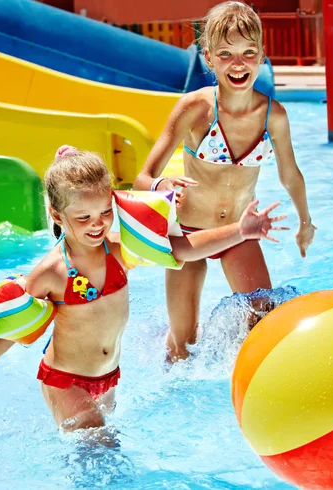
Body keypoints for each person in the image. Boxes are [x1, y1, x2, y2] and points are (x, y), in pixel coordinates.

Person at [0, 145, 287, 431]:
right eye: (83, 218)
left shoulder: (117, 251)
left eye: (104, 213)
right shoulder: (52, 273)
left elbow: (181, 249)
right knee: (101, 449)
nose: (96, 225)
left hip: (108, 379)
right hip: (65, 382)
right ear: (56, 215)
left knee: (98, 451)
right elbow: (9, 330)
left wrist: (241, 230)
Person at [133, 1, 316, 362]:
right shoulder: (195, 108)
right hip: (188, 233)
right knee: (182, 346)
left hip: (238, 231)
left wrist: (305, 221)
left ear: (262, 55)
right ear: (209, 58)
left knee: (264, 319)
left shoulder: (272, 116)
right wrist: (160, 187)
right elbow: (142, 177)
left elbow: (290, 174)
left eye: (249, 53)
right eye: (226, 54)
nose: (238, 64)